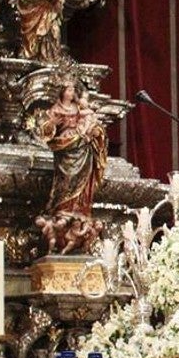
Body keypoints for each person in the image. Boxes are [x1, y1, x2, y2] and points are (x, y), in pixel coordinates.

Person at [36, 81, 108, 253]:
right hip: (65, 150)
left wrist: (95, 132)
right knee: (66, 181)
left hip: (83, 149)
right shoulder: (55, 109)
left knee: (82, 181)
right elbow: (46, 130)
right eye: (68, 89)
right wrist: (52, 123)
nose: (71, 92)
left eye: (72, 90)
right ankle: (63, 210)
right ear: (61, 92)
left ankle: (79, 210)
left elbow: (93, 123)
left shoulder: (79, 108)